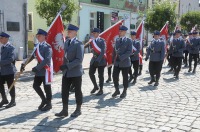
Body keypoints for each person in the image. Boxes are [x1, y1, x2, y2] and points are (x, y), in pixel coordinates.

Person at [55, 24, 84, 117]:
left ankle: (78, 109)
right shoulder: (67, 42)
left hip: (75, 72)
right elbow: (65, 56)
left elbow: (79, 59)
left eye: (71, 31)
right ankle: (64, 110)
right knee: (64, 91)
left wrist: (67, 66)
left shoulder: (79, 43)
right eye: (68, 31)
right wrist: (63, 66)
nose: (69, 32)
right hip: (67, 72)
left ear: (75, 32)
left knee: (77, 91)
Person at [20, 29, 53, 111]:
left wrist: (37, 68)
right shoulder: (37, 46)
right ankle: (44, 100)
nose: (38, 37)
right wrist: (24, 64)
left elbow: (47, 59)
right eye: (37, 35)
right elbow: (31, 57)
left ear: (44, 37)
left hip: (45, 69)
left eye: (40, 35)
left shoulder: (47, 47)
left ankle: (49, 104)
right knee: (35, 85)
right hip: (39, 70)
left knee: (47, 87)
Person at [112, 25, 132, 98]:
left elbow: (129, 52)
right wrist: (113, 59)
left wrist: (121, 57)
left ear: (125, 32)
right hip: (117, 63)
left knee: (125, 77)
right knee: (114, 76)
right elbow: (114, 50)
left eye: (121, 31)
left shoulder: (129, 40)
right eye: (119, 31)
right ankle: (117, 89)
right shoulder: (117, 40)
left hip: (125, 62)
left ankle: (124, 90)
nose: (119, 32)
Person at [0, 32, 16, 108]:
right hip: (1, 70)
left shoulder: (11, 47)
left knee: (10, 86)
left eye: (1, 38)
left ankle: (13, 101)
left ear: (6, 38)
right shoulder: (1, 46)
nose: (0, 39)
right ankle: (4, 99)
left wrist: (0, 62)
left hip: (9, 70)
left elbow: (11, 59)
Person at [89, 28, 107, 96]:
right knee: (91, 73)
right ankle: (96, 86)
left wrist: (98, 60)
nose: (93, 34)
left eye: (95, 33)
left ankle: (101, 89)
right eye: (93, 33)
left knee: (100, 75)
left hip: (101, 60)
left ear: (98, 33)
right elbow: (91, 49)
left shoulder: (102, 41)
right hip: (93, 59)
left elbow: (103, 51)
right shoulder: (92, 41)